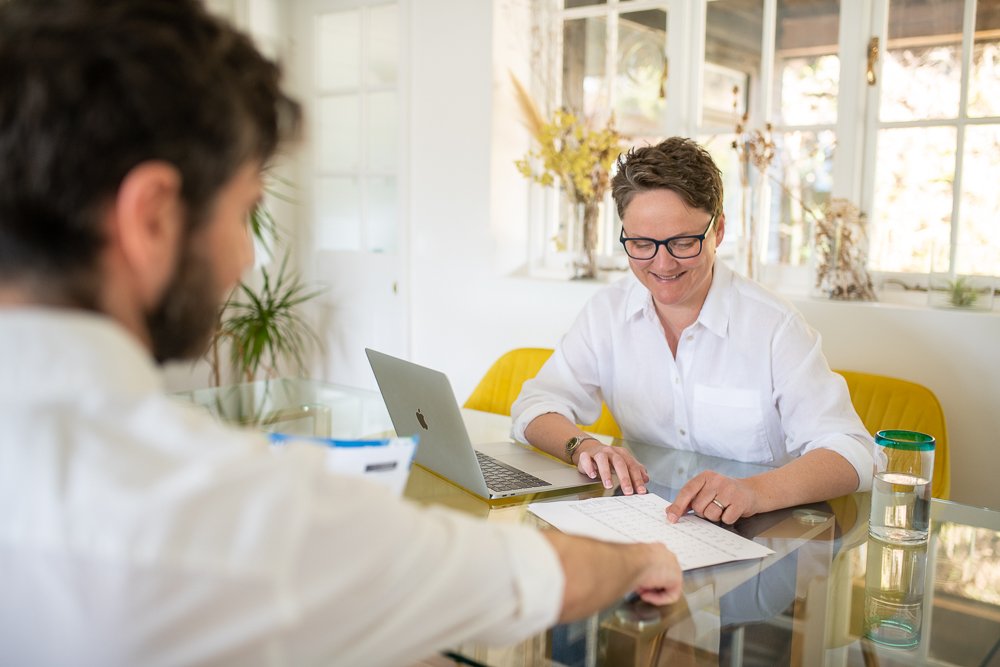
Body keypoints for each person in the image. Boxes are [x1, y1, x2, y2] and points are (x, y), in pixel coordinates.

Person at [0, 2, 683, 666]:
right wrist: (646, 556)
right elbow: (521, 577)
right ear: (150, 218)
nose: (246, 257)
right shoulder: (210, 504)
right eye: (244, 213)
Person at [511, 137, 874, 525]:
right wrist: (581, 445)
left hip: (761, 536)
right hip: (648, 527)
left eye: (683, 242)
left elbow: (853, 452)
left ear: (717, 231)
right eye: (641, 243)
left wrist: (755, 490)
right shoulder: (608, 311)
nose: (663, 264)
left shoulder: (774, 327)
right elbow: (534, 407)